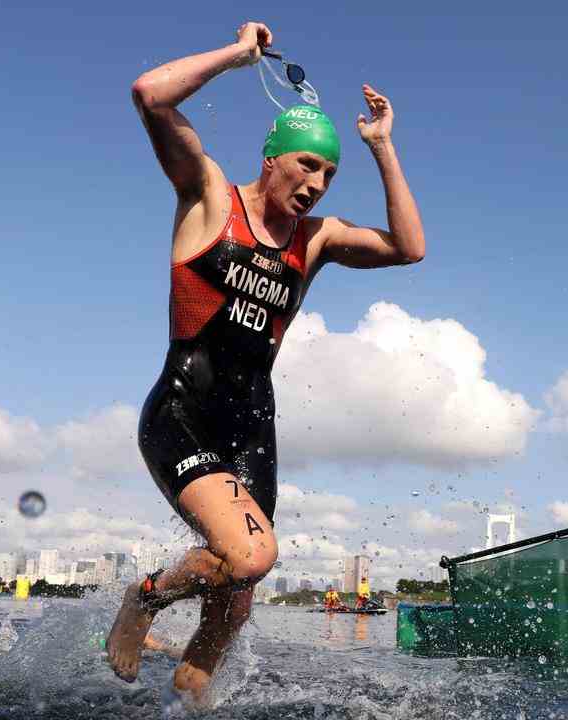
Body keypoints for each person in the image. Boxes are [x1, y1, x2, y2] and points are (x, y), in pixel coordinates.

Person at [104, 20, 425, 704]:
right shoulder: (209, 197)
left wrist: (382, 148)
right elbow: (150, 95)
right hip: (181, 413)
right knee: (251, 554)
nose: (316, 184)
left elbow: (409, 247)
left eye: (329, 175)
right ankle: (146, 598)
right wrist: (236, 55)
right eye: (307, 165)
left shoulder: (316, 241)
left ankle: (189, 697)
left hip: (251, 428)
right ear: (272, 157)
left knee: (240, 590)